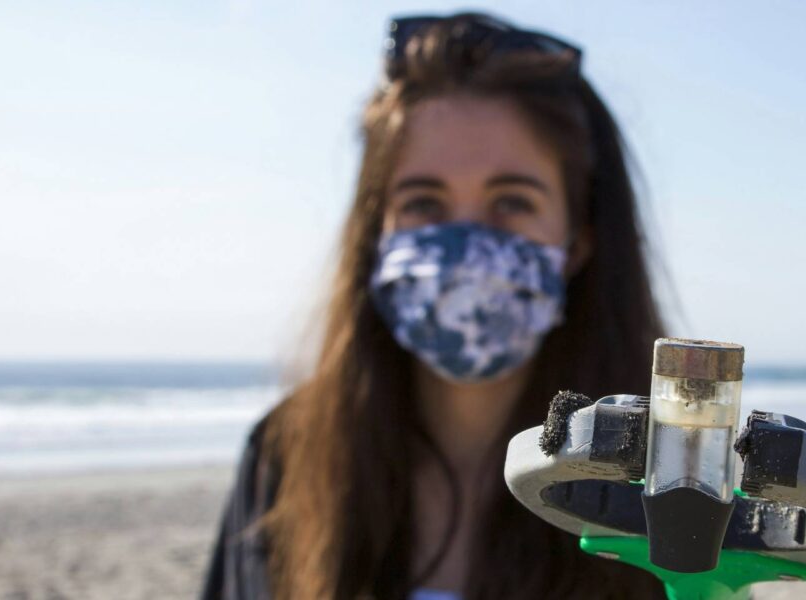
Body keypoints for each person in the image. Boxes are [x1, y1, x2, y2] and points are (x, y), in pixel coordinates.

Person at [202, 12, 666, 600]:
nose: (465, 247)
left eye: (512, 203)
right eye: (423, 202)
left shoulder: (657, 486)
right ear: (376, 231)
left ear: (578, 242)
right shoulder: (282, 459)